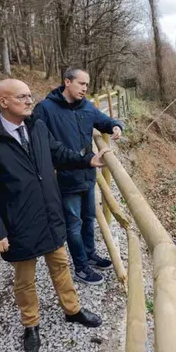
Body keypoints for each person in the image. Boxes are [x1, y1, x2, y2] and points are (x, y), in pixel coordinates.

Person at [0, 79, 105, 352]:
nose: (29, 101)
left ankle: (72, 310)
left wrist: (87, 160)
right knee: (25, 278)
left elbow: (57, 153)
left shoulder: (36, 126)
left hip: (49, 213)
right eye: (22, 97)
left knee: (61, 265)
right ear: (3, 102)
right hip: (18, 221)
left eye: (30, 96)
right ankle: (31, 324)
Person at [34, 68, 123, 285]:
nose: (85, 88)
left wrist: (115, 126)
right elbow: (48, 146)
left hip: (87, 175)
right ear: (67, 82)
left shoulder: (86, 107)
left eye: (87, 85)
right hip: (65, 178)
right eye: (81, 83)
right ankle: (81, 267)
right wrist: (83, 160)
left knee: (89, 219)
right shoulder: (45, 109)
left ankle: (90, 254)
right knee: (73, 224)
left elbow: (103, 120)